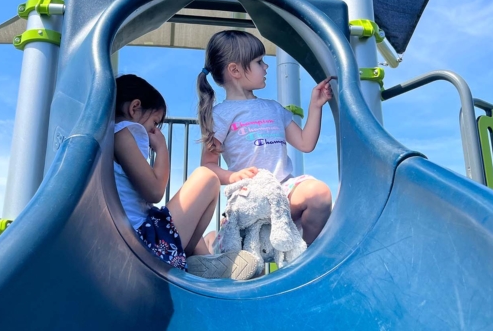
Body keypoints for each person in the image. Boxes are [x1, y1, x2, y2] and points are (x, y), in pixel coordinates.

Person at [113, 74, 258, 280]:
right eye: (154, 123)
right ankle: (207, 268)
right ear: (134, 108)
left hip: (139, 238)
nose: (154, 132)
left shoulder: (109, 135)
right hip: (143, 246)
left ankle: (204, 261)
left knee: (179, 224)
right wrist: (162, 148)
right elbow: (155, 191)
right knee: (207, 176)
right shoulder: (124, 132)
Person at [197, 30, 334, 246]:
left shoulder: (274, 108)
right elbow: (208, 166)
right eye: (259, 61)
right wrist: (233, 177)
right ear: (235, 70)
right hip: (251, 195)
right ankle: (211, 242)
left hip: (283, 190)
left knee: (319, 194)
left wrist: (315, 106)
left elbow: (305, 143)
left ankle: (301, 259)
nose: (266, 66)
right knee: (248, 268)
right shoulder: (221, 115)